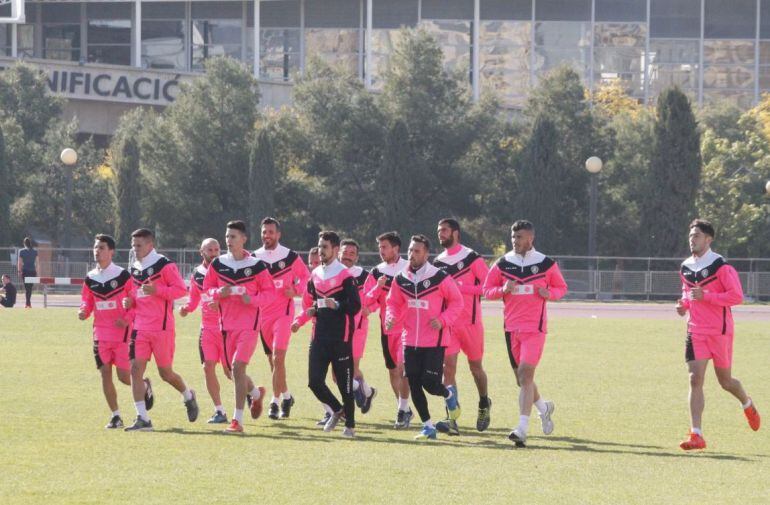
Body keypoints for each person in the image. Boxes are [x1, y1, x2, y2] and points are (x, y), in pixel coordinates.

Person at [676, 219, 761, 450]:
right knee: (695, 380)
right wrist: (684, 305)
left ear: (708, 239)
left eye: (697, 236)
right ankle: (697, 434)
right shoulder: (685, 266)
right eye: (691, 235)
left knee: (725, 382)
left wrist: (708, 297)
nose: (692, 239)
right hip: (695, 331)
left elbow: (736, 297)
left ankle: (747, 403)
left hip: (720, 332)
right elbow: (687, 293)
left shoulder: (721, 266)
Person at [483, 220, 567, 447]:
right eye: (513, 237)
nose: (515, 241)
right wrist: (502, 290)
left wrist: (549, 293)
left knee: (526, 373)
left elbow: (562, 288)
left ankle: (522, 428)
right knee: (522, 380)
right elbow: (486, 291)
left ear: (530, 238)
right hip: (511, 329)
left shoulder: (545, 263)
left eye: (519, 237)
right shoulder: (502, 263)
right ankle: (543, 407)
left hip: (535, 329)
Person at [385, 235, 463, 440]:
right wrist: (391, 318)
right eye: (410, 250)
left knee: (430, 383)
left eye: (417, 251)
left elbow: (457, 301)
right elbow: (392, 302)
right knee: (413, 383)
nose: (412, 254)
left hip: (434, 341)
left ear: (427, 254)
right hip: (409, 339)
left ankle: (448, 394)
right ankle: (428, 426)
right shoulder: (401, 278)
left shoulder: (439, 277)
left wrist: (443, 320)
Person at [122, 228, 199, 431]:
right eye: (133, 245)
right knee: (135, 370)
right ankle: (143, 418)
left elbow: (181, 290)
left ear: (150, 245)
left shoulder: (164, 265)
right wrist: (129, 301)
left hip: (162, 328)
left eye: (138, 245)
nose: (135, 249)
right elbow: (134, 293)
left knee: (166, 373)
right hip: (140, 327)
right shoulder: (134, 268)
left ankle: (188, 395)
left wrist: (158, 290)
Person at [203, 220, 275, 433]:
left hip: (249, 326)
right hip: (225, 326)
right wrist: (218, 294)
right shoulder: (217, 264)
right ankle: (255, 394)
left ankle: (237, 420)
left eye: (233, 236)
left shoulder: (256, 265)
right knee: (232, 372)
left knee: (237, 366)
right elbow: (206, 290)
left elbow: (270, 294)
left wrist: (250, 299)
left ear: (244, 239)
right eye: (227, 236)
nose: (228, 240)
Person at [294, 231, 361, 438]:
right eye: (319, 246)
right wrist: (312, 310)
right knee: (314, 382)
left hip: (340, 337)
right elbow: (313, 301)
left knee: (345, 385)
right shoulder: (314, 274)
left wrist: (338, 304)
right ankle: (337, 409)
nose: (321, 251)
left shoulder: (345, 275)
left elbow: (355, 306)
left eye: (325, 247)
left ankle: (350, 425)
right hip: (319, 336)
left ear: (335, 249)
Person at [433, 218, 492, 435]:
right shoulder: (437, 262)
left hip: (471, 324)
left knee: (476, 369)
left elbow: (488, 288)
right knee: (447, 370)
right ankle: (452, 418)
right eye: (439, 231)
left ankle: (484, 402)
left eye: (445, 230)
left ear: (456, 233)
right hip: (448, 324)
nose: (441, 234)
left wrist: (461, 287)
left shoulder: (471, 257)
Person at [252, 217, 310, 420]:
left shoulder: (290, 256)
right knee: (273, 362)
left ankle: (274, 403)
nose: (267, 235)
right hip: (262, 316)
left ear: (278, 234)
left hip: (284, 314)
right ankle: (287, 396)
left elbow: (306, 278)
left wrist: (295, 290)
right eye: (264, 232)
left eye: (271, 232)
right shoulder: (254, 258)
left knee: (278, 357)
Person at [78, 234, 134, 428]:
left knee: (125, 377)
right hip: (100, 333)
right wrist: (84, 310)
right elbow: (87, 300)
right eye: (95, 247)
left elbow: (134, 301)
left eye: (101, 247)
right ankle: (116, 416)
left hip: (121, 333)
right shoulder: (90, 278)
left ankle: (144, 385)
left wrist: (126, 319)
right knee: (105, 373)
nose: (97, 251)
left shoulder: (123, 275)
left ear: (111, 252)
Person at [179, 238, 232, 424]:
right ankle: (220, 411)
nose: (214, 252)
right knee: (207, 367)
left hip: (226, 327)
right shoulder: (197, 274)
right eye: (210, 249)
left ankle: (253, 392)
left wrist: (222, 302)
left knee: (230, 371)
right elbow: (194, 300)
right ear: (201, 252)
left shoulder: (227, 269)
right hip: (207, 329)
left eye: (217, 249)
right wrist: (186, 308)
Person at [366, 231, 413, 429]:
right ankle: (403, 408)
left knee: (403, 371)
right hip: (387, 330)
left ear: (396, 248)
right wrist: (377, 288)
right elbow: (366, 299)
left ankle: (402, 410)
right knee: (393, 371)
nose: (381, 251)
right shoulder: (377, 272)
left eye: (384, 247)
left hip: (407, 329)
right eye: (379, 247)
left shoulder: (410, 269)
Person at [339, 239, 377, 414]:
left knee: (350, 368)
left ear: (357, 257)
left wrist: (370, 308)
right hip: (337, 328)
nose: (347, 256)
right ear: (338, 252)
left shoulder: (364, 276)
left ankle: (345, 409)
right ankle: (367, 392)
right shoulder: (332, 273)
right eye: (345, 252)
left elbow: (379, 298)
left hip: (358, 328)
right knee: (337, 371)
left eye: (351, 254)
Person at [17, 237, 38, 308]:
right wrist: (37, 272)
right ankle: (28, 303)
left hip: (25, 271)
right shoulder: (35, 251)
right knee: (30, 288)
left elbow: (19, 262)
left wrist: (19, 271)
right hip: (32, 271)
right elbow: (37, 263)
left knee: (27, 288)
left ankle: (27, 303)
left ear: (24, 243)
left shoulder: (21, 251)